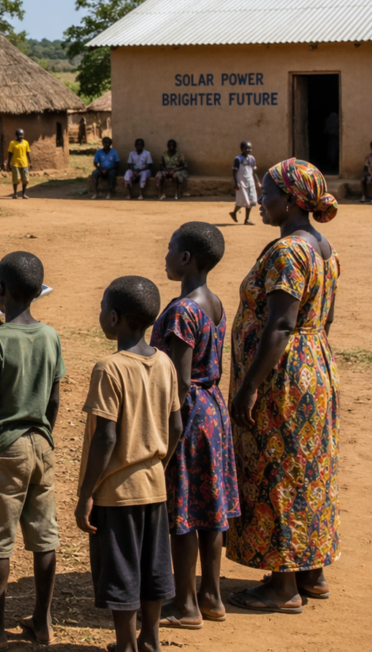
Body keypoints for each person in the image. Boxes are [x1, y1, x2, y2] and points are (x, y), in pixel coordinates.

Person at [226, 159, 340, 614]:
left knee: (279, 471)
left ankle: (282, 586)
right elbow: (322, 318)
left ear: (290, 200)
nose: (261, 201)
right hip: (314, 368)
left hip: (283, 378)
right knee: (308, 469)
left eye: (268, 194)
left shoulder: (289, 252)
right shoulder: (322, 247)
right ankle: (311, 573)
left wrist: (249, 387)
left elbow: (279, 325)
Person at [0, 251, 64, 650]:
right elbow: (54, 398)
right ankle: (43, 621)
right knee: (44, 537)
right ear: (37, 291)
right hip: (42, 445)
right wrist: (44, 434)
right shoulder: (51, 335)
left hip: (4, 450)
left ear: (0, 290)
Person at [76, 276, 182, 652]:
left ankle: (125, 645)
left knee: (121, 572)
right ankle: (150, 640)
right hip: (154, 487)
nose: (100, 312)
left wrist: (86, 495)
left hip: (116, 494)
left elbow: (105, 438)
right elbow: (176, 426)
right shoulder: (165, 362)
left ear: (116, 318)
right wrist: (158, 466)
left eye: (103, 307)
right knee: (153, 569)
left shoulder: (109, 368)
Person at [152, 223, 239, 630]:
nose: (166, 254)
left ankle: (185, 604)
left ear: (186, 258)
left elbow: (180, 379)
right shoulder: (214, 302)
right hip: (213, 412)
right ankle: (211, 595)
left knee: (183, 511)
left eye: (171, 249)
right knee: (210, 509)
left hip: (188, 414)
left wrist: (167, 432)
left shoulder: (182, 309)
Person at [230, 142, 260, 224]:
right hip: (241, 182)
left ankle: (246, 219)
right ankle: (234, 212)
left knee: (251, 200)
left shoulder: (252, 159)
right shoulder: (238, 159)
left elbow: (253, 172)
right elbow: (234, 171)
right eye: (246, 148)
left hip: (250, 181)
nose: (249, 150)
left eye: (250, 148)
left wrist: (257, 181)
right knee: (243, 200)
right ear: (242, 149)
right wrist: (236, 183)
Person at [7, 129, 31, 200]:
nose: (21, 136)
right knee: (16, 179)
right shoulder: (12, 143)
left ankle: (23, 194)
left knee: (25, 179)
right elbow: (10, 153)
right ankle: (15, 194)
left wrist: (30, 162)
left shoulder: (26, 143)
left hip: (24, 163)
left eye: (22, 134)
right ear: (16, 135)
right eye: (19, 135)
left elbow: (28, 153)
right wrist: (8, 163)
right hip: (15, 163)